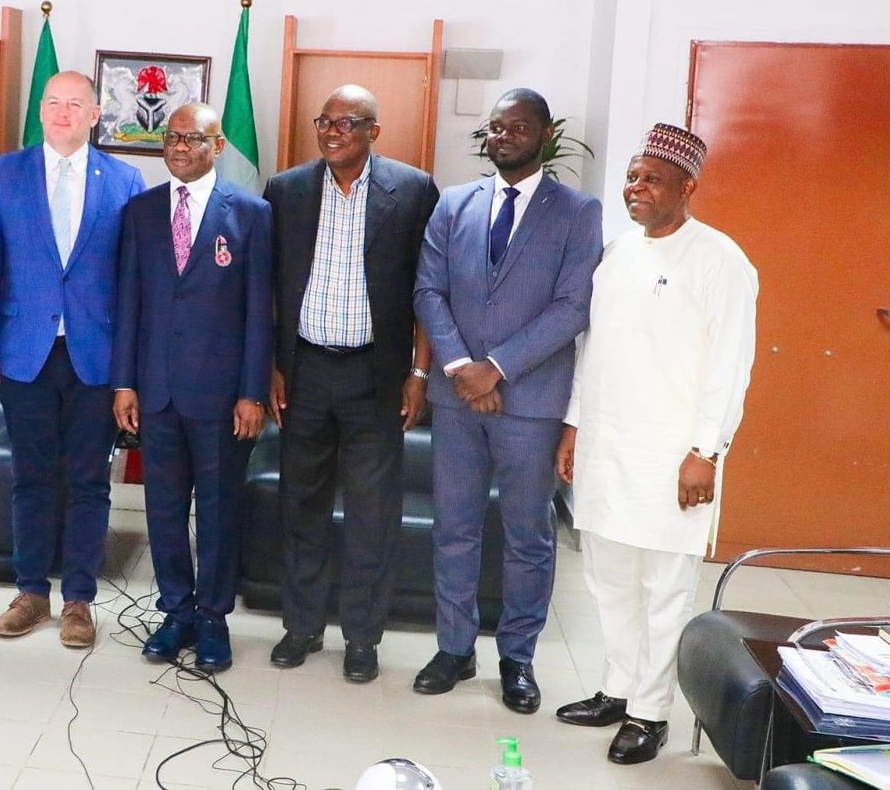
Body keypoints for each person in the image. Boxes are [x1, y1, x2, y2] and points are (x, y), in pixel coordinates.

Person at [553, 123, 758, 765]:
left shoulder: (721, 260)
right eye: (632, 177)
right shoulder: (618, 254)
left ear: (687, 187)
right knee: (607, 578)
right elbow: (593, 347)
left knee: (665, 589)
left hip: (674, 454)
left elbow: (731, 365)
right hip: (607, 443)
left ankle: (650, 711)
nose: (636, 188)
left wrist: (707, 451)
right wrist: (574, 423)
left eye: (653, 179)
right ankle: (618, 688)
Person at [411, 88, 602, 713]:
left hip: (530, 402)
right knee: (454, 529)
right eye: (495, 127)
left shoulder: (577, 211)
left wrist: (495, 369)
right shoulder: (454, 203)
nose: (504, 136)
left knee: (528, 537)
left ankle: (517, 658)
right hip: (457, 399)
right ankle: (454, 649)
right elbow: (428, 290)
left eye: (518, 127)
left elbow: (572, 306)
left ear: (546, 135)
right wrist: (461, 368)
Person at [263, 84, 438, 684]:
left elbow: (428, 291)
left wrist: (419, 373)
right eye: (325, 122)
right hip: (304, 373)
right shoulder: (286, 190)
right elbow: (270, 288)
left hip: (376, 376)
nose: (332, 132)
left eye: (347, 122)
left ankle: (363, 637)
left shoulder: (412, 191)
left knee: (372, 513)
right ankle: (302, 626)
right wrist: (272, 366)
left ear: (373, 131)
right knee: (300, 505)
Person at [0, 70, 145, 647]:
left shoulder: (124, 179)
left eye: (75, 104)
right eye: (53, 103)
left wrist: (129, 367)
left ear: (95, 115)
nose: (62, 112)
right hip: (24, 352)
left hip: (95, 355)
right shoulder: (5, 172)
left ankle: (78, 600)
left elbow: (131, 280)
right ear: (40, 111)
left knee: (90, 482)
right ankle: (29, 592)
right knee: (32, 477)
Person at [111, 103, 273, 673]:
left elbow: (260, 311)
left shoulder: (251, 213)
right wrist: (124, 382)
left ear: (217, 145)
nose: (180, 147)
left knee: (220, 512)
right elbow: (129, 302)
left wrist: (252, 392)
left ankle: (213, 619)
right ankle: (175, 611)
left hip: (223, 396)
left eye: (193, 138)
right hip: (155, 392)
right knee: (163, 509)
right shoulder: (140, 211)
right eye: (172, 137)